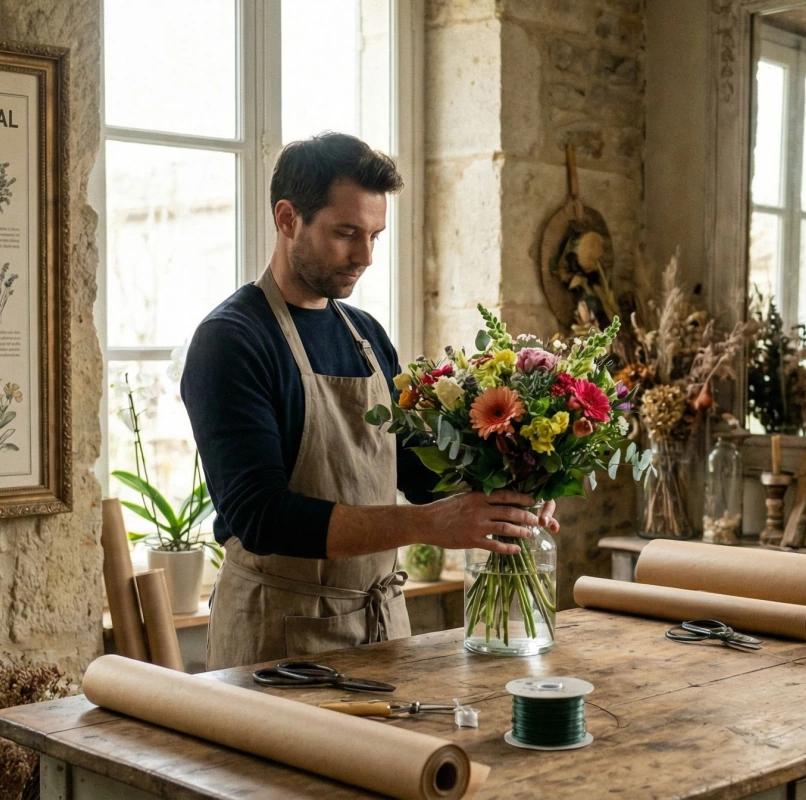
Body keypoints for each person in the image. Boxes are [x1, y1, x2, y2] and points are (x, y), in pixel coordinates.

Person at [181, 132, 559, 671]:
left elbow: (414, 466)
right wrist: (427, 525)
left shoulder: (365, 335)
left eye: (375, 236)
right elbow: (259, 516)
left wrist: (517, 492)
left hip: (381, 630)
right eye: (345, 233)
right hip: (275, 642)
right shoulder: (232, 340)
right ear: (288, 219)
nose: (365, 256)